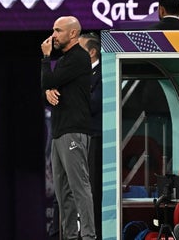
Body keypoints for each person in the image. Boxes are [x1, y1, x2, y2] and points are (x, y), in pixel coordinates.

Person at [41, 16, 96, 240]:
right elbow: (48, 85)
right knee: (63, 192)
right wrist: (47, 91)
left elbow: (48, 80)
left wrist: (46, 58)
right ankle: (70, 236)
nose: (53, 35)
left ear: (73, 33)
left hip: (74, 130)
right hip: (59, 131)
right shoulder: (64, 59)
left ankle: (89, 236)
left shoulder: (79, 57)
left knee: (79, 187)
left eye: (58, 30)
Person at [79, 32, 102, 240]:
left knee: (92, 190)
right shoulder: (78, 74)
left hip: (95, 138)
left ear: (92, 52)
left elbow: (93, 104)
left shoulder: (103, 74)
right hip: (78, 138)